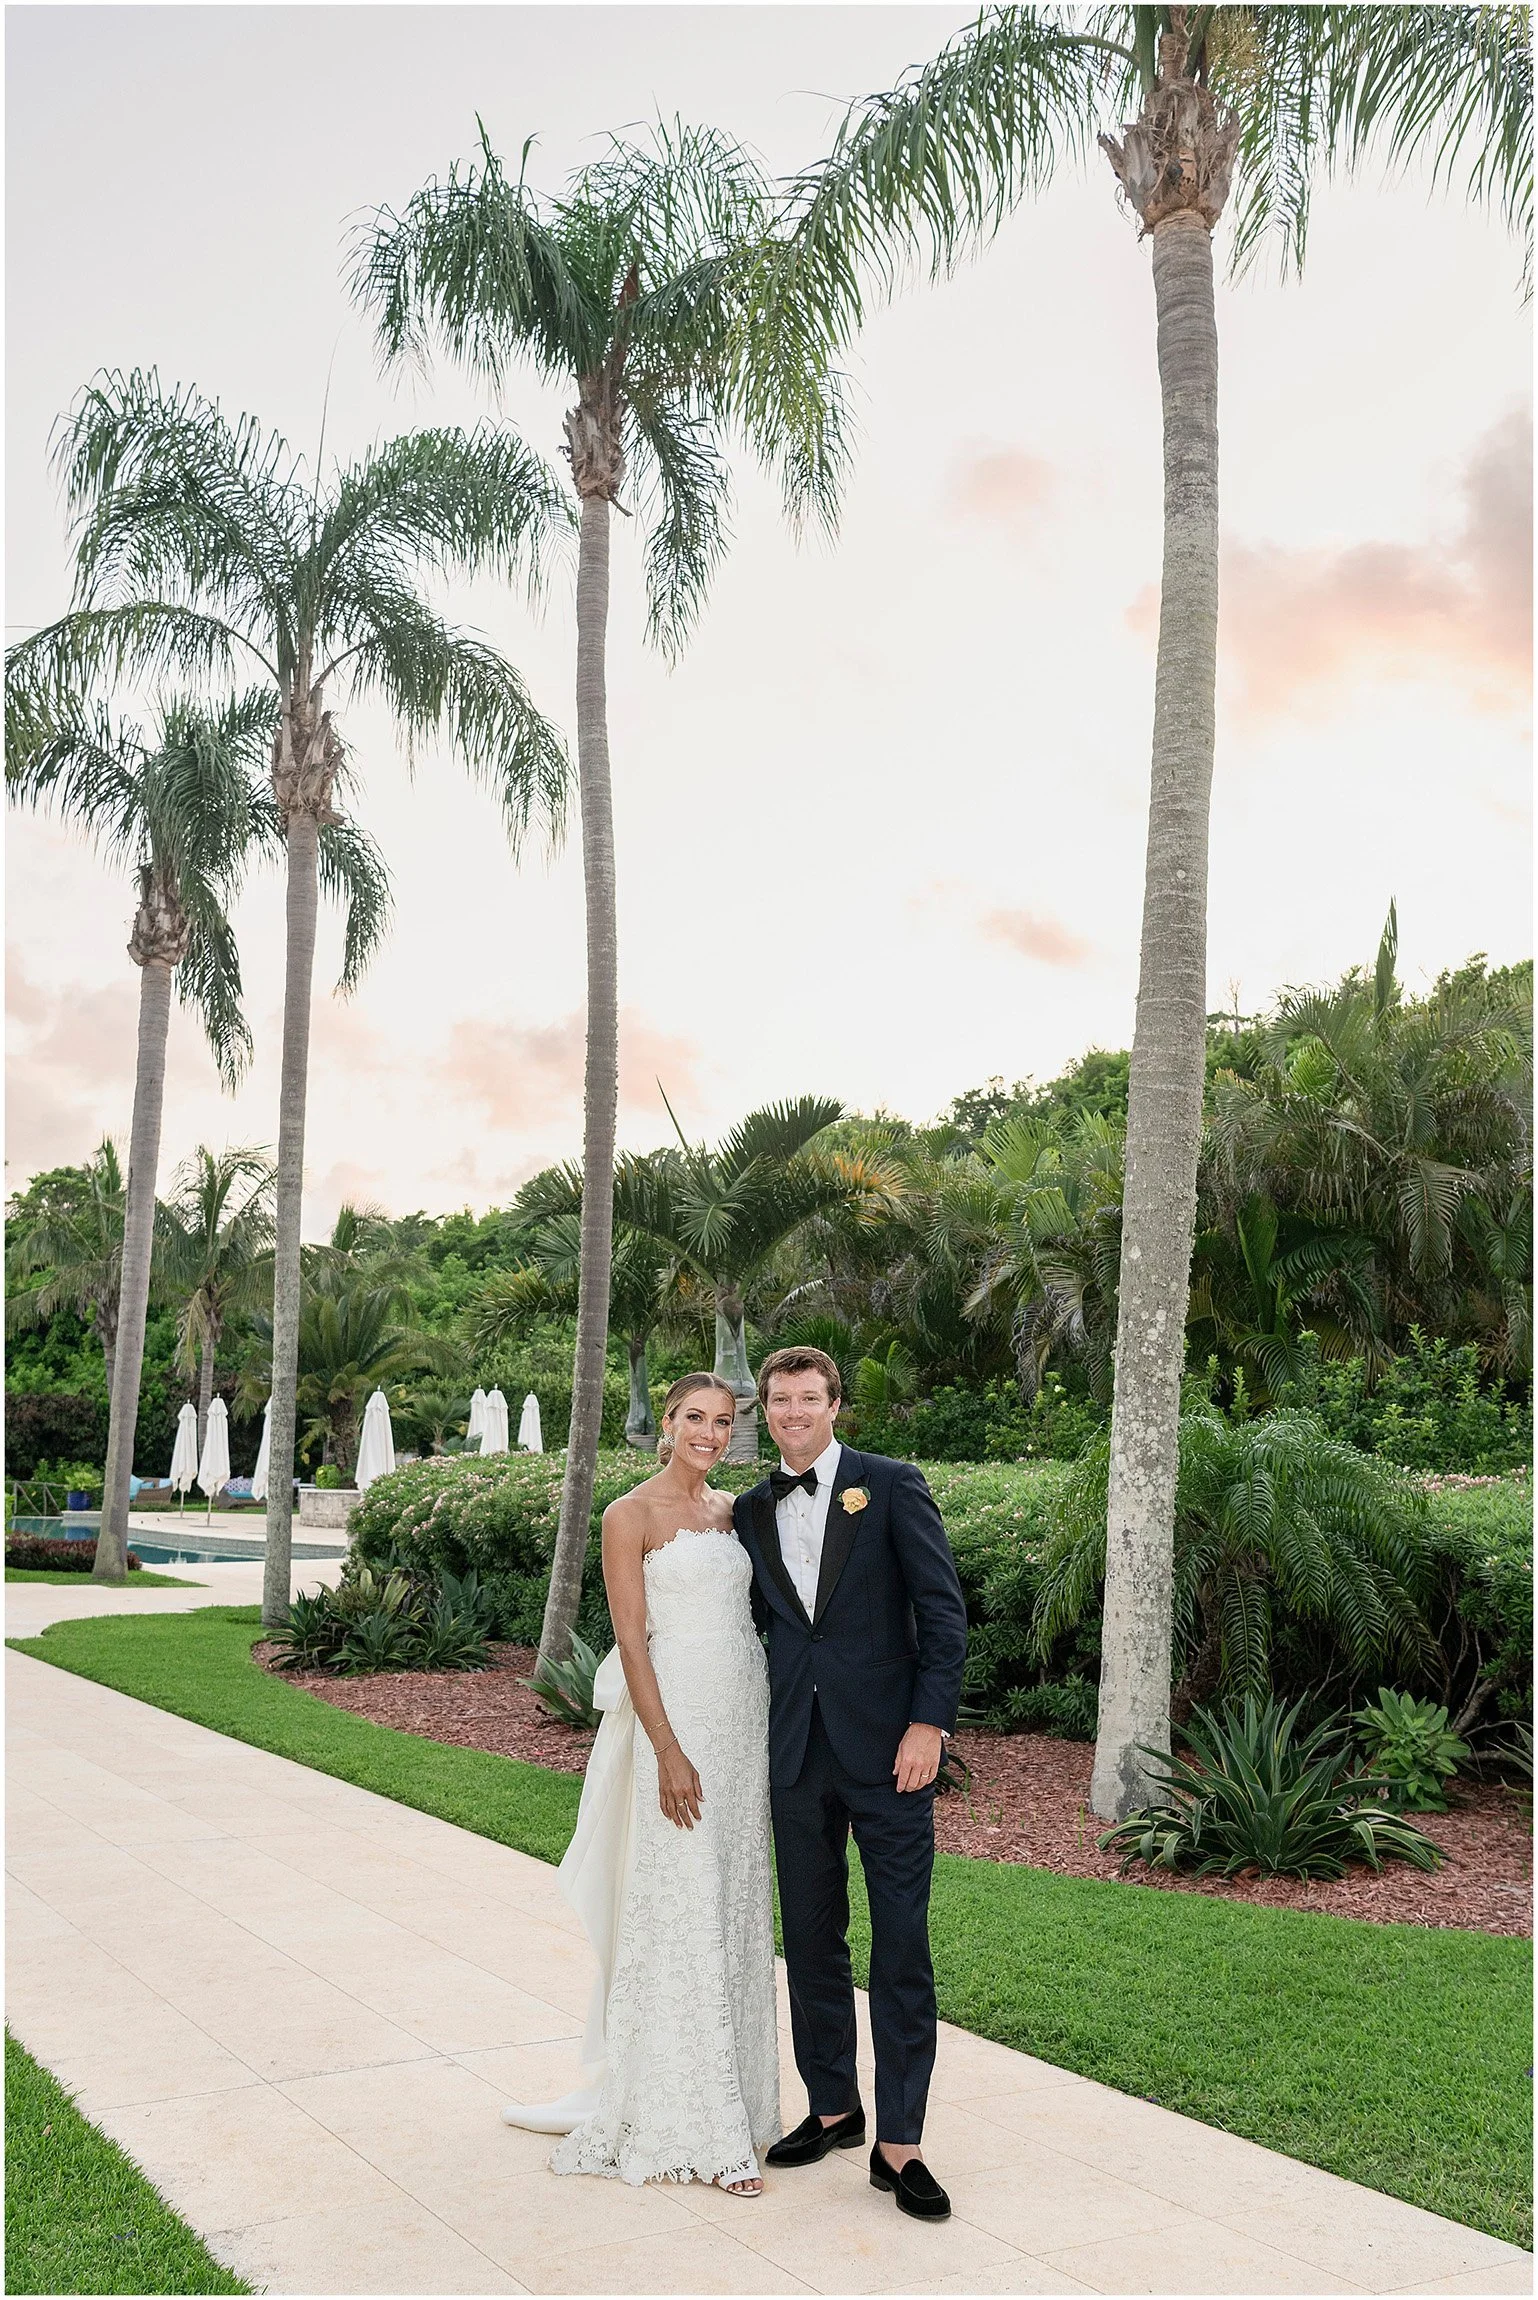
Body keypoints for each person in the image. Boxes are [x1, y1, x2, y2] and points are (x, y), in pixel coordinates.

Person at [501, 1373, 779, 2195]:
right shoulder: (630, 1515)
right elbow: (630, 1642)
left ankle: (747, 2112)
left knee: (734, 1906)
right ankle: (696, 2128)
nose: (710, 1432)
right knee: (684, 1910)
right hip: (681, 1724)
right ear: (666, 1422)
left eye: (724, 1422)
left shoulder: (732, 1513)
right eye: (696, 1417)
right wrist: (667, 1749)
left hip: (742, 1722)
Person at [733, 1346, 968, 2222]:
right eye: (780, 1399)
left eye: (809, 1398)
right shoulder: (753, 1509)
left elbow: (943, 1615)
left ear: (837, 1405)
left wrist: (927, 1725)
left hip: (891, 1754)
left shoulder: (892, 1484)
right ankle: (833, 2105)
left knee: (901, 1941)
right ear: (767, 1409)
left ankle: (900, 2141)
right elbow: (760, 1628)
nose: (794, 1411)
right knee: (812, 1936)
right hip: (794, 1753)